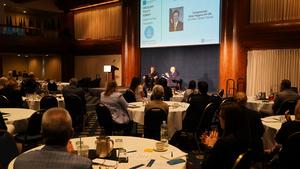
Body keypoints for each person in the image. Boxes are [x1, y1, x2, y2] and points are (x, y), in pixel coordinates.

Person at [14, 108, 92, 169]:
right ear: (71, 133)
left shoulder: (20, 161)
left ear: (41, 133)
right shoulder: (83, 165)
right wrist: (71, 156)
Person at [201, 102, 250, 169]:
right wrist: (216, 143)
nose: (219, 119)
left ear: (228, 120)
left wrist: (210, 147)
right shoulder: (245, 135)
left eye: (220, 116)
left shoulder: (224, 143)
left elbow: (206, 166)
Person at [234, 92, 265, 163]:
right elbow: (261, 131)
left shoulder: (231, 115)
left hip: (237, 149)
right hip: (255, 148)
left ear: (234, 101)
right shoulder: (255, 114)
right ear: (246, 101)